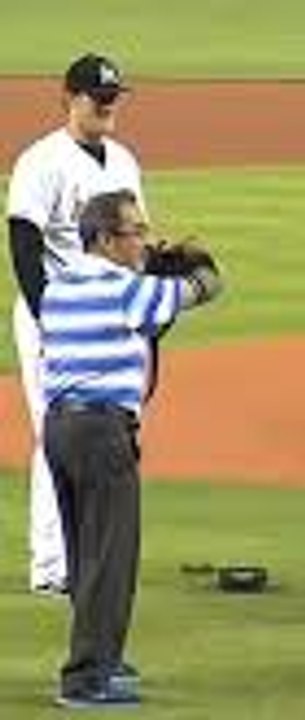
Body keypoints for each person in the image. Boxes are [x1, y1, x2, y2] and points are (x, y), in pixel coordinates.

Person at [42, 190, 223, 707]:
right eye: (135, 232)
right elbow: (206, 287)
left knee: (85, 554)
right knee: (111, 558)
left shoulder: (59, 286)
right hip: (101, 432)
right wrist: (191, 262)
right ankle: (85, 678)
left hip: (59, 430)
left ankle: (100, 659)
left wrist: (150, 263)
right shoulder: (123, 288)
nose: (144, 241)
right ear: (104, 239)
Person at [5, 52, 144, 597]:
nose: (108, 106)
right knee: (58, 432)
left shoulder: (124, 161)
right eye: (98, 97)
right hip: (57, 318)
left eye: (114, 97)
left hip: (110, 315)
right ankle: (51, 564)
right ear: (69, 98)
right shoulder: (41, 161)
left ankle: (88, 555)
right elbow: (24, 245)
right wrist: (51, 318)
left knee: (108, 433)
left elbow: (135, 242)